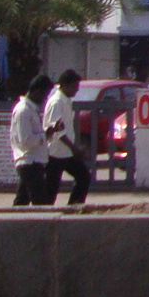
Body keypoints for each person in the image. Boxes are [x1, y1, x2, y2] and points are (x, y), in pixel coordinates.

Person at [44, 70, 91, 206]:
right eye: (75, 86)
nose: (77, 90)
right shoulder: (56, 102)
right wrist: (74, 148)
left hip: (66, 153)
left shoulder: (65, 101)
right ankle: (45, 217)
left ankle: (74, 207)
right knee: (51, 189)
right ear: (65, 85)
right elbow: (57, 131)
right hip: (55, 153)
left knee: (84, 177)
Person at [10, 74, 54, 206]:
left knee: (21, 202)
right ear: (36, 91)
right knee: (40, 202)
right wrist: (43, 136)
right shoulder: (23, 110)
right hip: (29, 162)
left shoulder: (31, 110)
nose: (45, 99)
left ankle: (14, 225)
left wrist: (47, 133)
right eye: (45, 95)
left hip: (34, 161)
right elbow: (26, 140)